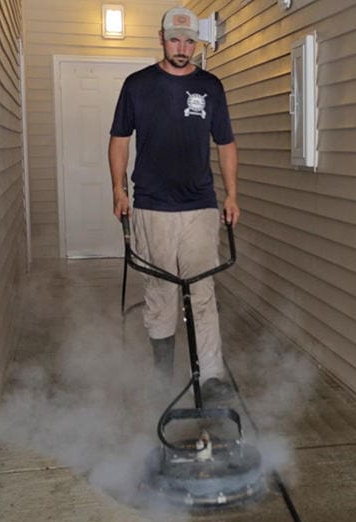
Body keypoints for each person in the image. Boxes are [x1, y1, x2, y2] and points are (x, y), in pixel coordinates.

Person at [108, 6, 239, 402]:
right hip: (151, 206)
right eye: (174, 39)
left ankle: (212, 377)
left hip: (199, 206)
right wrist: (118, 189)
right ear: (161, 38)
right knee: (162, 293)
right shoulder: (137, 85)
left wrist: (232, 194)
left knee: (202, 292)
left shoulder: (211, 87)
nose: (181, 47)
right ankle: (163, 375)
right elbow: (119, 139)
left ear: (196, 43)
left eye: (188, 41)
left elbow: (226, 144)